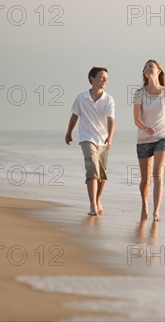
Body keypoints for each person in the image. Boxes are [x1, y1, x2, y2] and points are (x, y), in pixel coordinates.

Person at [65, 67, 115, 216]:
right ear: (92, 79)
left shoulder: (109, 99)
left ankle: (98, 199)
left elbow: (111, 119)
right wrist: (68, 133)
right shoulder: (81, 98)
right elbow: (74, 116)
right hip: (87, 138)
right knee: (92, 167)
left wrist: (110, 137)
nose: (105, 80)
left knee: (102, 174)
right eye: (101, 77)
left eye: (106, 77)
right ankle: (93, 205)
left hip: (103, 139)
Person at [133, 60, 165, 222]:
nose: (148, 68)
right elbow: (136, 119)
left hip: (162, 137)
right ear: (144, 73)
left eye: (151, 66)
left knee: (157, 173)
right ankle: (145, 206)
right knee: (145, 180)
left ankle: (156, 212)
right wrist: (145, 128)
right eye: (146, 67)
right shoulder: (139, 93)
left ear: (158, 71)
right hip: (144, 138)